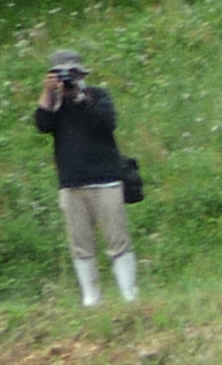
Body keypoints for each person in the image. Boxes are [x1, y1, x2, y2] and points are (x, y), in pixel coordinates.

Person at [34, 49, 136, 309]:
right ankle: (91, 299)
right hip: (71, 184)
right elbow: (42, 124)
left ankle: (129, 295)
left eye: (72, 73)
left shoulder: (97, 96)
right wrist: (48, 93)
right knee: (81, 244)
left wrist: (79, 97)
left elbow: (106, 122)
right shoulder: (55, 105)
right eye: (60, 74)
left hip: (106, 180)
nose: (68, 79)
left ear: (82, 74)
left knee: (117, 240)